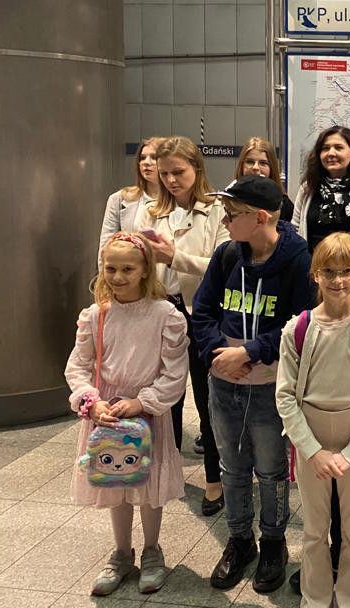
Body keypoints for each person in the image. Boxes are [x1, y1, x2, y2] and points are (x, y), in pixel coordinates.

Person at [190, 175, 313, 593]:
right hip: (223, 382)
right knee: (232, 465)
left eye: (232, 214)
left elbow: (300, 324)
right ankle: (240, 539)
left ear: (260, 217)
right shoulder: (226, 255)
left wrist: (250, 352)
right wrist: (215, 352)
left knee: (272, 469)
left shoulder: (297, 260)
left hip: (269, 386)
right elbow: (202, 311)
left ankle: (274, 542)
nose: (225, 221)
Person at [65, 233, 188, 596]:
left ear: (145, 269)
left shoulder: (165, 316)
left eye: (127, 269)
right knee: (115, 481)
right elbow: (78, 366)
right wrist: (91, 400)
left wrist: (144, 401)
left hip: (146, 413)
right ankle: (121, 552)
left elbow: (174, 371)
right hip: (106, 412)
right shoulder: (95, 315)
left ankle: (152, 550)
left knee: (147, 483)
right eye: (111, 268)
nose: (118, 276)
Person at [277, 232, 350, 608]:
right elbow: (285, 396)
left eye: (346, 271)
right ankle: (314, 597)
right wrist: (312, 451)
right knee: (314, 529)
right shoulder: (298, 328)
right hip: (309, 433)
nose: (338, 280)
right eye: (328, 271)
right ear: (315, 275)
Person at [140, 135, 228, 516]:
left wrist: (175, 256)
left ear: (197, 168)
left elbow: (223, 265)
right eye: (164, 174)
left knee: (208, 400)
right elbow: (139, 260)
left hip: (201, 314)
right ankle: (169, 473)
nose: (171, 180)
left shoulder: (218, 210)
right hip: (160, 312)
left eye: (178, 172)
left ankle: (214, 480)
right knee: (165, 400)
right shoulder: (150, 212)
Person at [292, 125, 350, 253]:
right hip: (310, 263)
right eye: (325, 148)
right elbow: (296, 229)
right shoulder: (308, 188)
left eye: (338, 147)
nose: (331, 153)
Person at [98, 137, 163, 263]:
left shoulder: (180, 200)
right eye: (142, 158)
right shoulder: (119, 199)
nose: (146, 162)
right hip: (129, 270)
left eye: (154, 157)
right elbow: (105, 247)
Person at [236, 137, 295, 222]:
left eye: (263, 163)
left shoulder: (284, 205)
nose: (255, 167)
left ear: (272, 168)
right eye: (250, 162)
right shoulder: (231, 199)